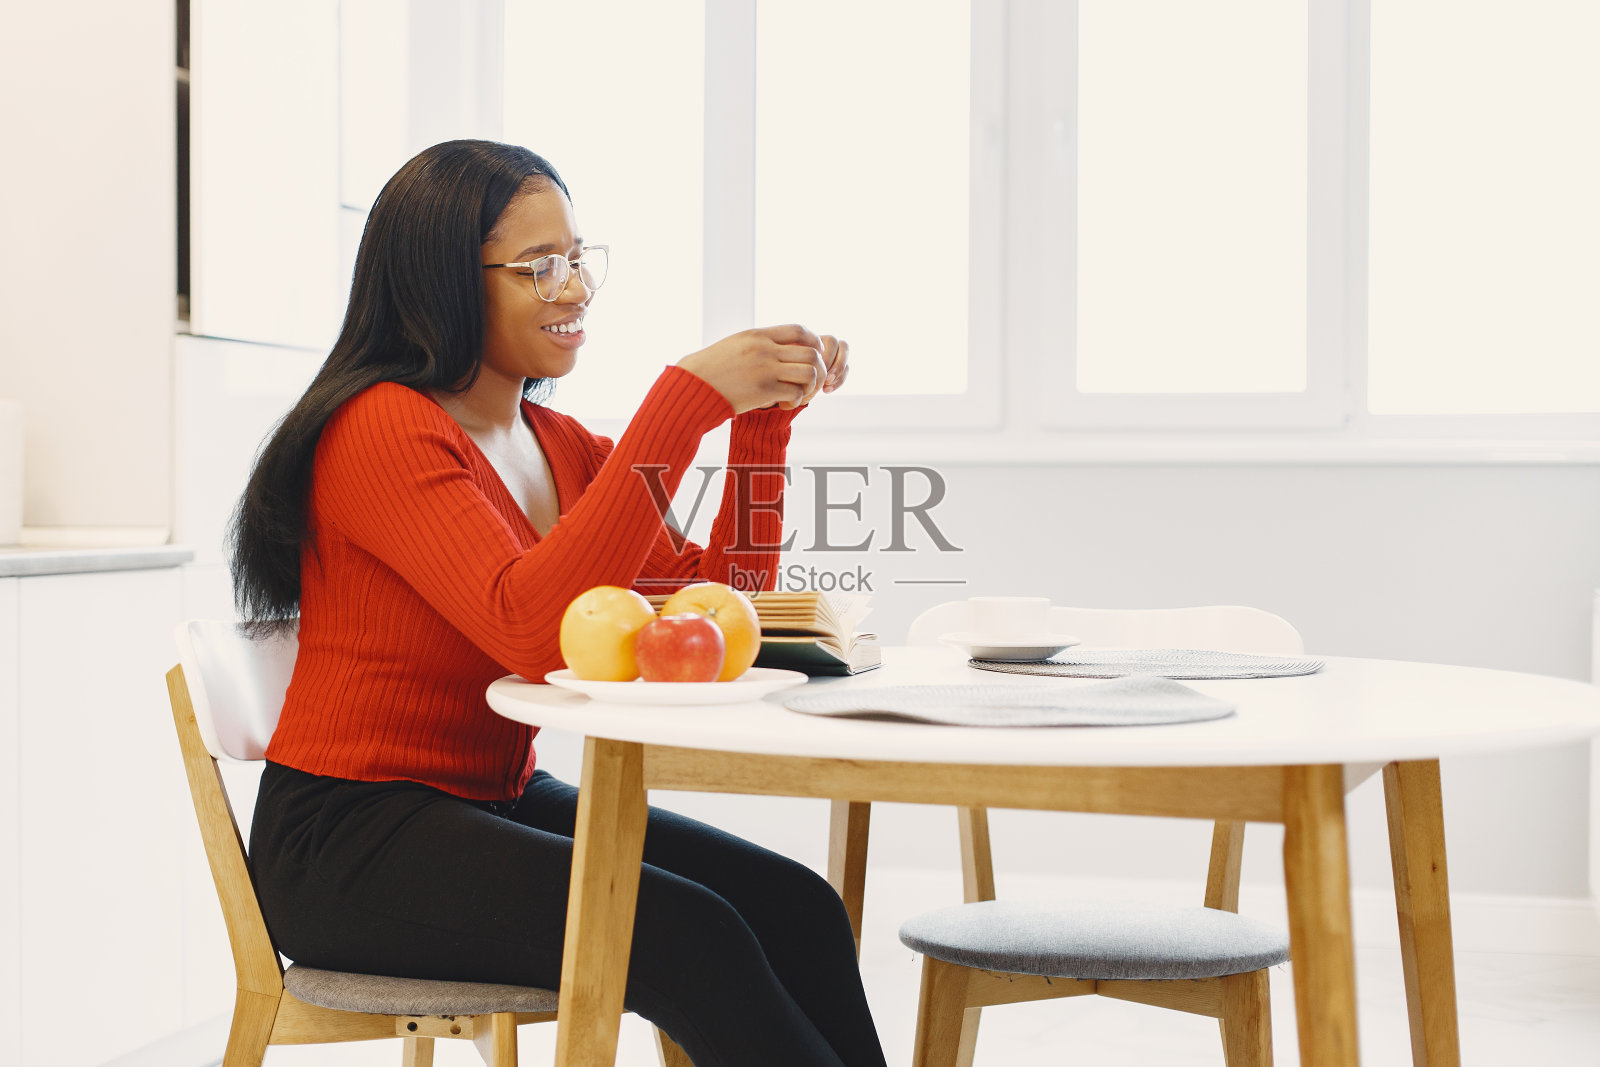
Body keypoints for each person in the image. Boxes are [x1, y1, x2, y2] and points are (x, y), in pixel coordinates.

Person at [229, 139, 884, 1067]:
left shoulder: (560, 443)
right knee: (689, 935)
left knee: (795, 905)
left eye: (577, 259)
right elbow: (529, 628)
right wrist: (685, 399)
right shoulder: (377, 428)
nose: (573, 288)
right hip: (349, 839)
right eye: (540, 268)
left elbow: (729, 603)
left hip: (492, 796)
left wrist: (759, 424)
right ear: (443, 282)